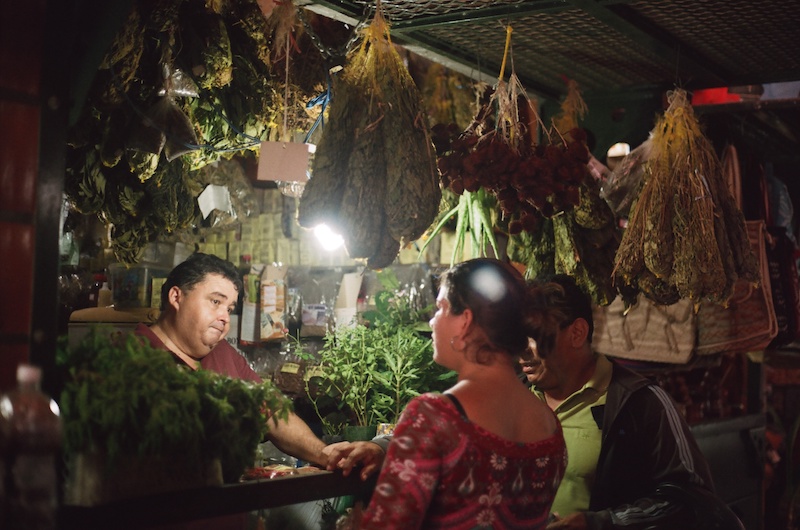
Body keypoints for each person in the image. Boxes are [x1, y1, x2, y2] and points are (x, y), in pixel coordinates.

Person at [519, 274, 743, 530]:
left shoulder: (639, 401)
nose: (521, 350)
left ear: (577, 333)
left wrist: (599, 523)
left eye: (534, 336)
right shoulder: (516, 396)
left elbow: (690, 498)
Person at [358, 258, 567, 529]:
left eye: (441, 308)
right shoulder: (549, 424)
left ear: (465, 321)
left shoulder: (434, 417)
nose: (432, 321)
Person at [135, 252, 330, 468]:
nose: (225, 317)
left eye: (229, 309)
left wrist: (324, 454)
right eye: (215, 301)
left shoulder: (224, 353)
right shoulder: (130, 356)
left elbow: (273, 413)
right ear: (176, 297)